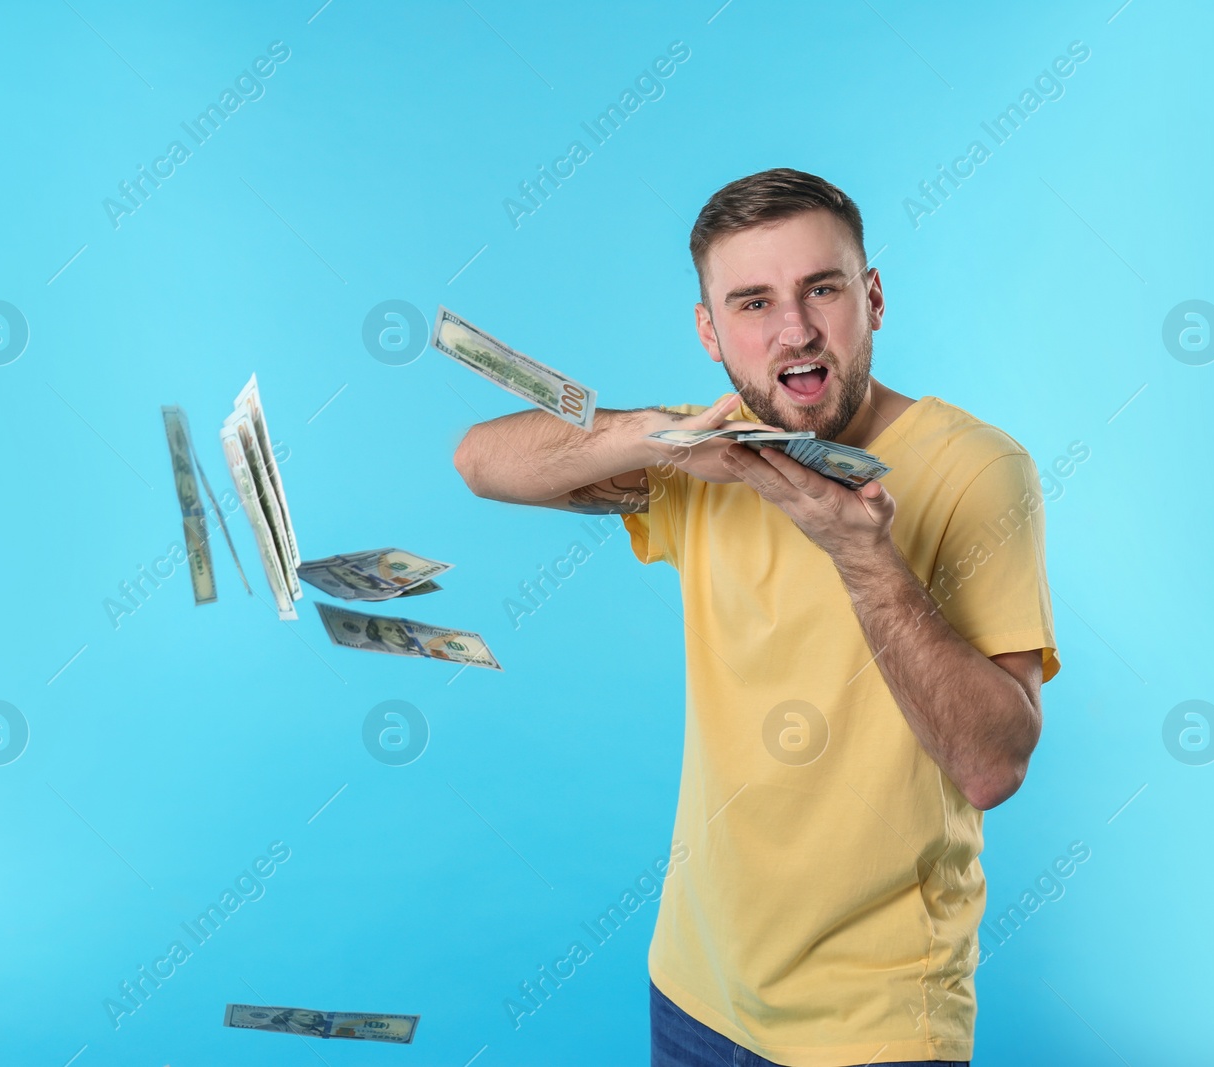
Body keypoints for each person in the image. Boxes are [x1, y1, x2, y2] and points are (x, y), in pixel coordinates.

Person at [454, 168, 1059, 1067]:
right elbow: (481, 461)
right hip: (695, 986)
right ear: (709, 331)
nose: (796, 328)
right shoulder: (704, 460)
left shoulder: (980, 472)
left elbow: (993, 764)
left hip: (873, 1022)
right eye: (752, 302)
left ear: (873, 298)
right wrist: (651, 436)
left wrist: (864, 559)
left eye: (823, 288)